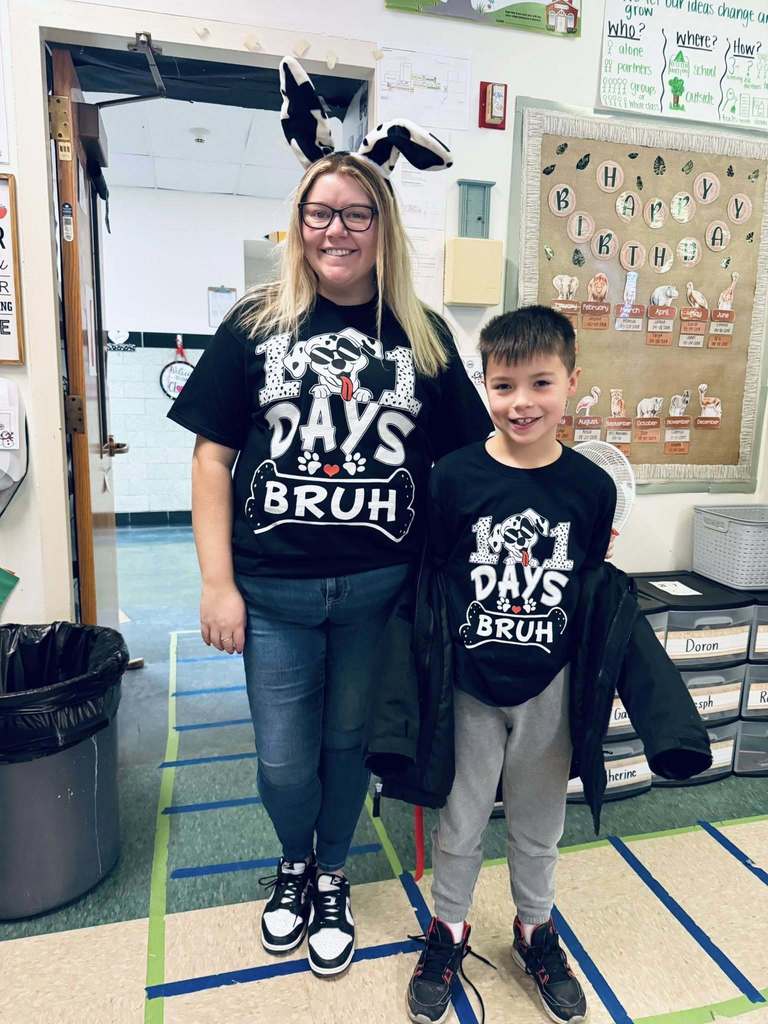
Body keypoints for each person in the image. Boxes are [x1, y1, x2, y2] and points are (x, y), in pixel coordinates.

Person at [167, 57, 490, 979]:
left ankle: (335, 872)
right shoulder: (254, 326)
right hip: (269, 592)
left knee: (351, 744)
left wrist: (550, 496)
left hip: (377, 593)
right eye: (321, 213)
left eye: (356, 214)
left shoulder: (422, 334)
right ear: (298, 224)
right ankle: (293, 863)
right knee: (280, 760)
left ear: (381, 228)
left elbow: (467, 462)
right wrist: (217, 581)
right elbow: (210, 457)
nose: (336, 229)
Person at [406, 306, 616, 1024]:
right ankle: (449, 931)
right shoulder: (453, 478)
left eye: (539, 383)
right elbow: (436, 576)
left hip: (548, 687)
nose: (520, 402)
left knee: (538, 824)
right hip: (468, 684)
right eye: (502, 386)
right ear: (484, 386)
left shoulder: (591, 488)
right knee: (459, 822)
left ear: (571, 384)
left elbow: (588, 583)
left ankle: (535, 931)